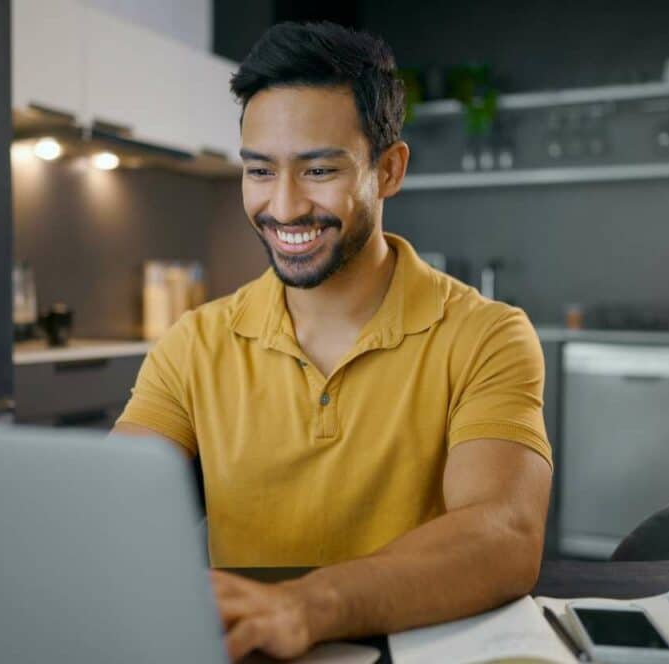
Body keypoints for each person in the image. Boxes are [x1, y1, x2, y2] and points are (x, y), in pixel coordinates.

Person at [113, 21, 552, 662]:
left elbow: (505, 534)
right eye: (260, 170)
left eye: (318, 170)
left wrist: (310, 606)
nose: (284, 207)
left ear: (390, 169)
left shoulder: (488, 335)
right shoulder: (194, 343)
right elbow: (112, 514)